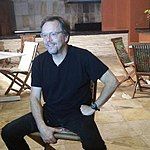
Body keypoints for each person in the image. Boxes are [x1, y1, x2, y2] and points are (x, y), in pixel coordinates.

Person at [1, 16, 119, 150]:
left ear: (66, 37)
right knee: (8, 132)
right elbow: (34, 97)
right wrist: (42, 126)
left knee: (96, 147)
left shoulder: (83, 57)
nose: (48, 40)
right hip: (50, 113)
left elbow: (112, 81)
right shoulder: (40, 62)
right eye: (44, 35)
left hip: (77, 115)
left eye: (53, 34)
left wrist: (94, 106)